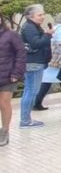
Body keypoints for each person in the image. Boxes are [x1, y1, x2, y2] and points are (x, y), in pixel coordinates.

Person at [18, 5, 51, 129]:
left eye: (43, 14)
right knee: (31, 91)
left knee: (29, 91)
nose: (42, 17)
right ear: (30, 16)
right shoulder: (30, 28)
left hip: (34, 62)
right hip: (33, 63)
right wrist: (47, 35)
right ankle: (25, 121)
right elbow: (36, 43)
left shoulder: (31, 26)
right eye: (39, 15)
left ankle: (26, 119)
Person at [0, 18, 26, 147]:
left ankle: (4, 131)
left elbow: (21, 54)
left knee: (4, 103)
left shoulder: (11, 35)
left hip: (8, 76)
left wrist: (17, 73)